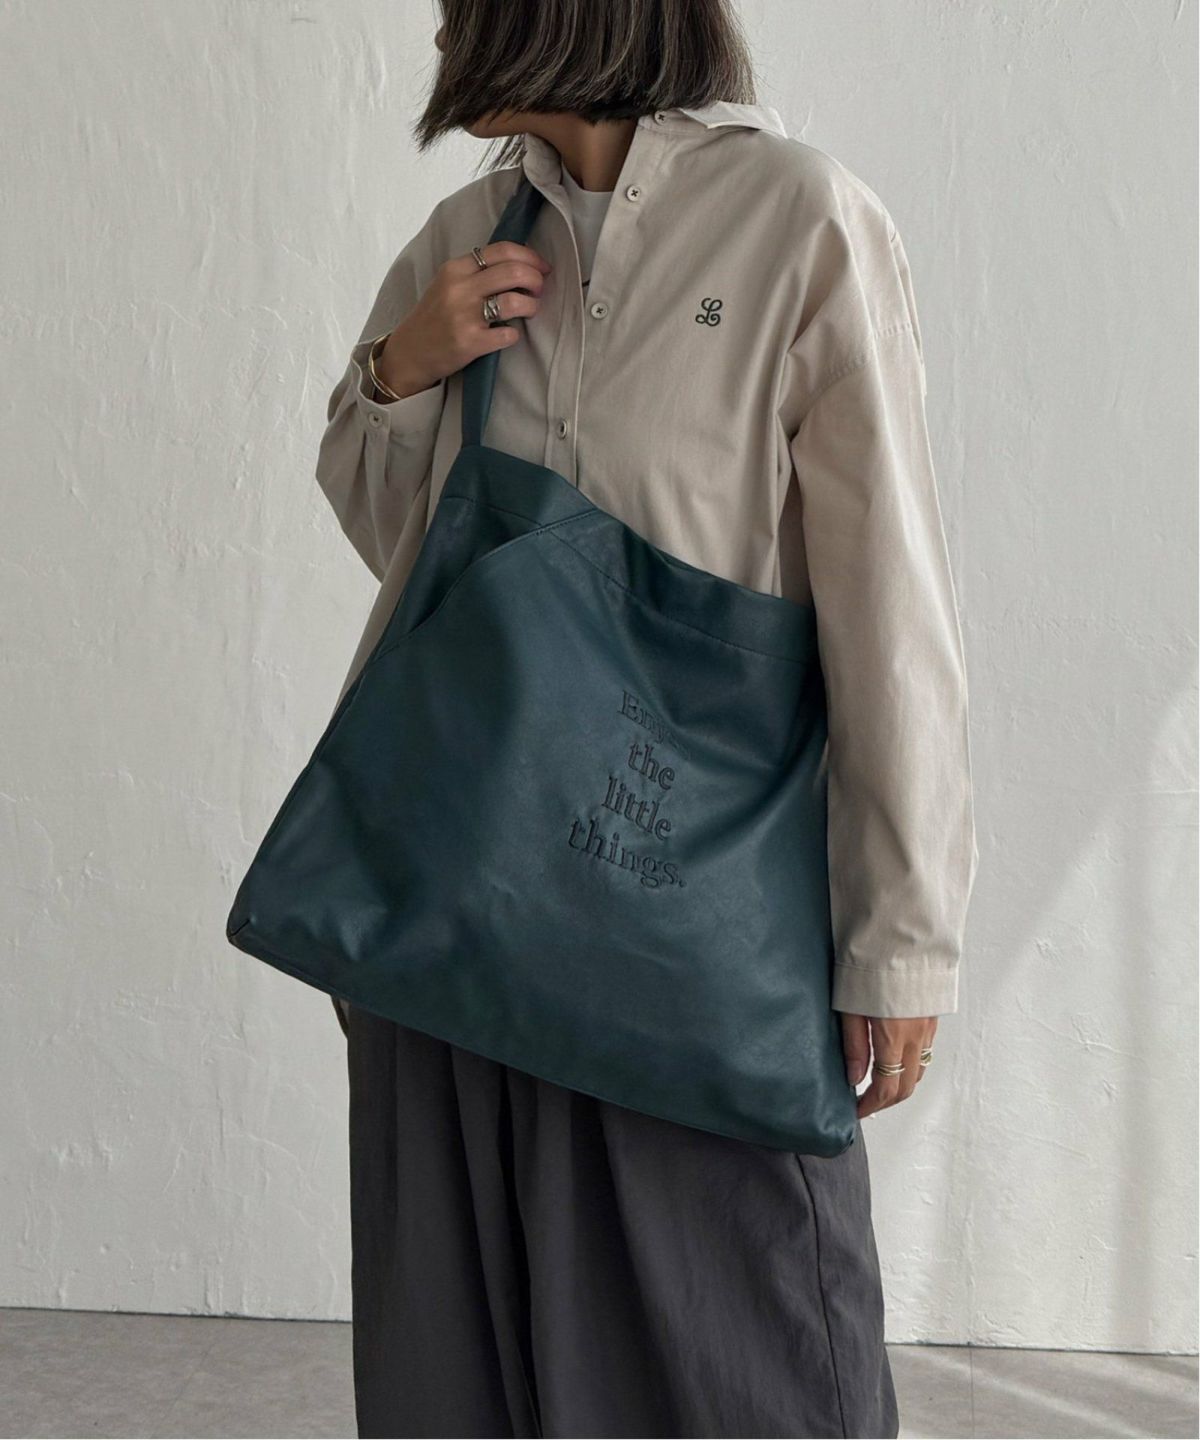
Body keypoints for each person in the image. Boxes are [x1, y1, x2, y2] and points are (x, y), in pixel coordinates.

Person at [313, 2, 978, 1435]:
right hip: (460, 906)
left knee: (750, 1367)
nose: (441, 18)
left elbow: (886, 598)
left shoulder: (798, 220)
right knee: (458, 1379)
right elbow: (400, 548)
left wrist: (900, 934)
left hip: (690, 924)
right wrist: (399, 373)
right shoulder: (467, 236)